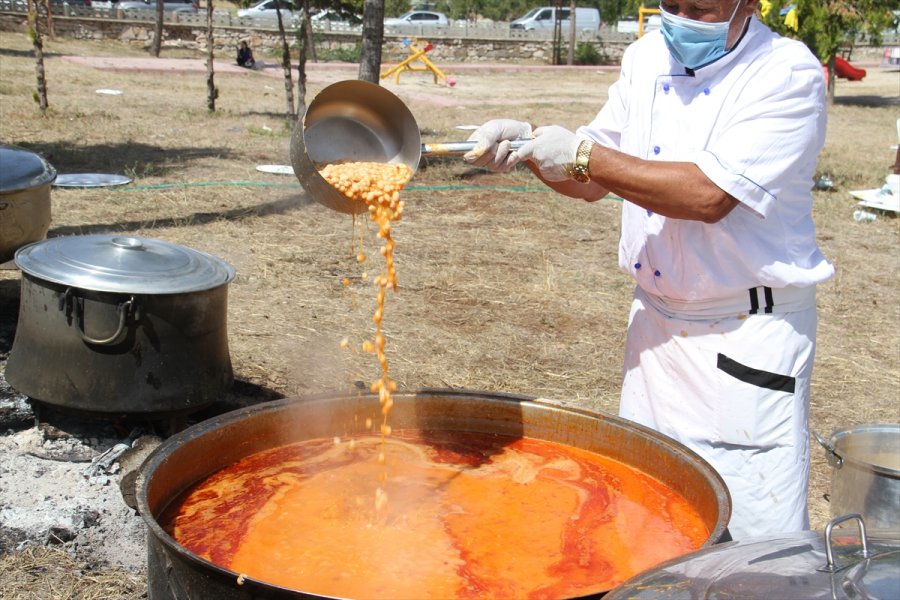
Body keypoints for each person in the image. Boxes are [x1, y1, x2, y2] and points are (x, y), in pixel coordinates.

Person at [464, 0, 833, 540]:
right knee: (643, 519)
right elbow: (590, 178)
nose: (682, 20)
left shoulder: (786, 72)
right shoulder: (644, 59)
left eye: (702, 10)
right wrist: (532, 145)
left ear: (749, 4)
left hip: (742, 337)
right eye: (672, 5)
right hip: (654, 333)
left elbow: (708, 194)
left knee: (750, 544)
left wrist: (582, 153)